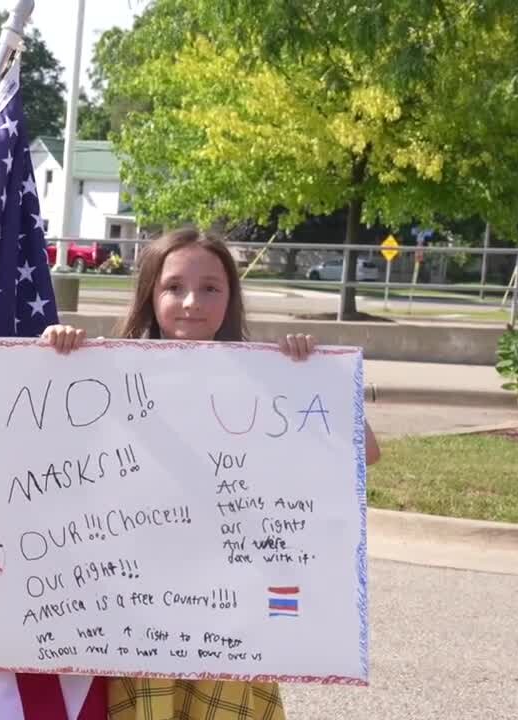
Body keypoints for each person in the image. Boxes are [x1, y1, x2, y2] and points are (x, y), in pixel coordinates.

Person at [40, 226, 381, 720]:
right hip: (137, 612)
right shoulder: (106, 374)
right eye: (174, 287)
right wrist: (51, 354)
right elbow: (38, 448)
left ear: (231, 297)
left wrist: (316, 378)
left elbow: (363, 452)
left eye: (211, 288)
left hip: (232, 616)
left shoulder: (268, 376)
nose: (191, 301)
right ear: (150, 294)